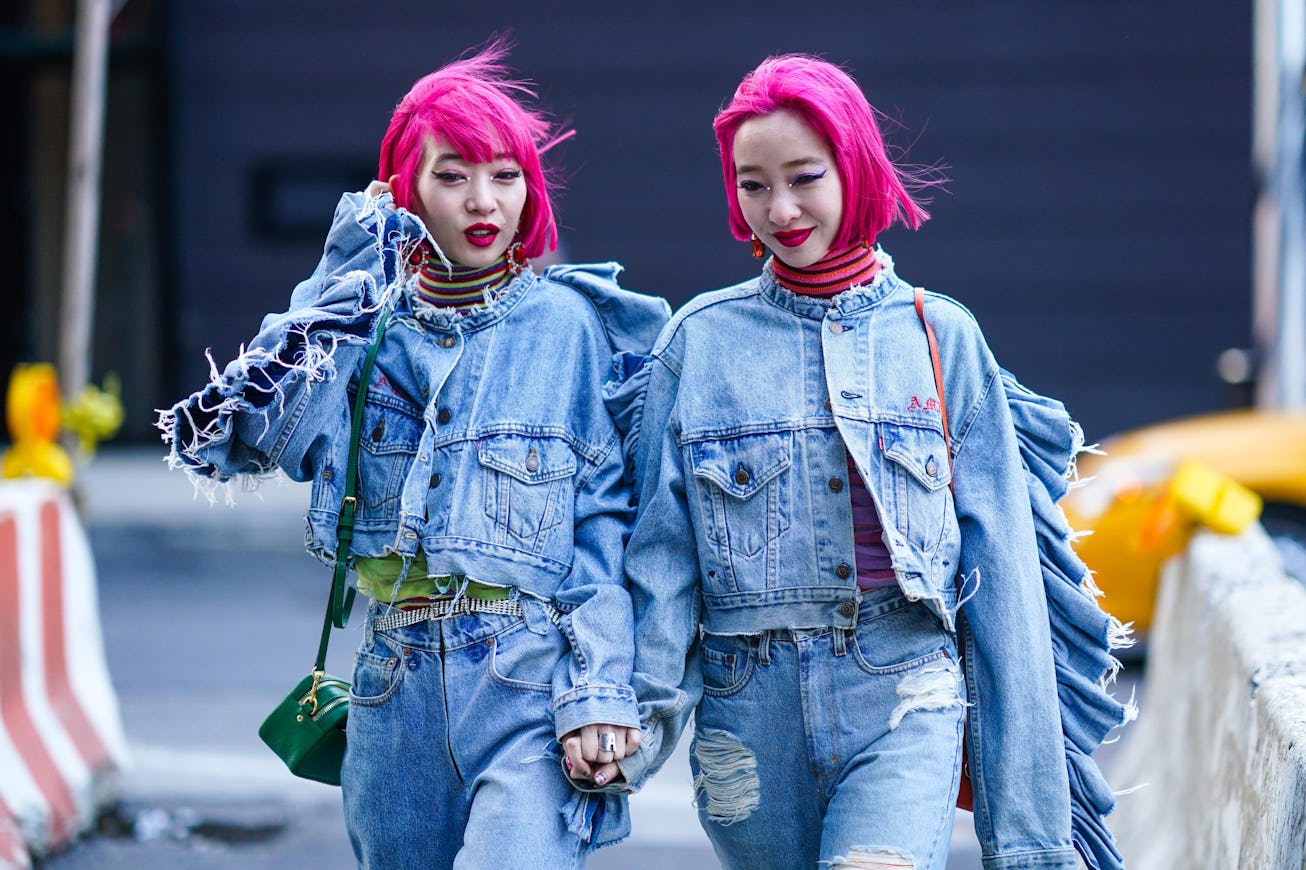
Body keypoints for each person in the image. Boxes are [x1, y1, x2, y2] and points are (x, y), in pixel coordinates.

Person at [612, 55, 1132, 870]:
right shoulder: (699, 342)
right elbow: (663, 563)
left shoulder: (943, 337)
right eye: (753, 185)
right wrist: (629, 726)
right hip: (747, 717)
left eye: (804, 177)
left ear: (854, 166)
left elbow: (1005, 590)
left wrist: (1032, 837)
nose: (779, 209)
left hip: (905, 690)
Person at [157, 41, 668, 868]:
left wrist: (599, 691)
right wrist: (348, 267)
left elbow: (602, 525)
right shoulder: (362, 324)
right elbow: (253, 436)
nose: (483, 201)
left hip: (527, 680)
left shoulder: (568, 326)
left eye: (505, 175)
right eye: (453, 174)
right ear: (403, 188)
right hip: (391, 686)